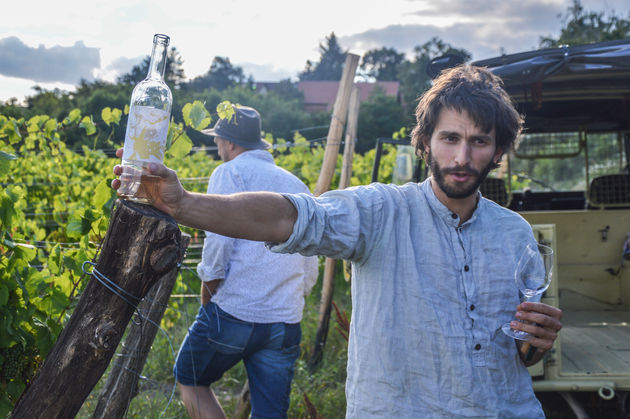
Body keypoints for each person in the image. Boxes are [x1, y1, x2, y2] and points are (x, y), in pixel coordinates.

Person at [113, 65, 563, 418]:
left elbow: (518, 350)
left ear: (499, 151)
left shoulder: (515, 234)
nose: (462, 157)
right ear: (425, 143)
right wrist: (184, 203)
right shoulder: (381, 212)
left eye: (479, 141)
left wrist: (535, 343)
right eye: (450, 138)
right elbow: (290, 216)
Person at [172, 106, 319, 419]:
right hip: (285, 321)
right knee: (270, 413)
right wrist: (292, 300)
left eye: (219, 141)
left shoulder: (228, 174)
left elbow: (218, 247)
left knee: (190, 379)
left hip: (233, 312)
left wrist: (208, 298)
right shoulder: (297, 184)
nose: (218, 148)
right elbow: (310, 260)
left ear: (230, 143)